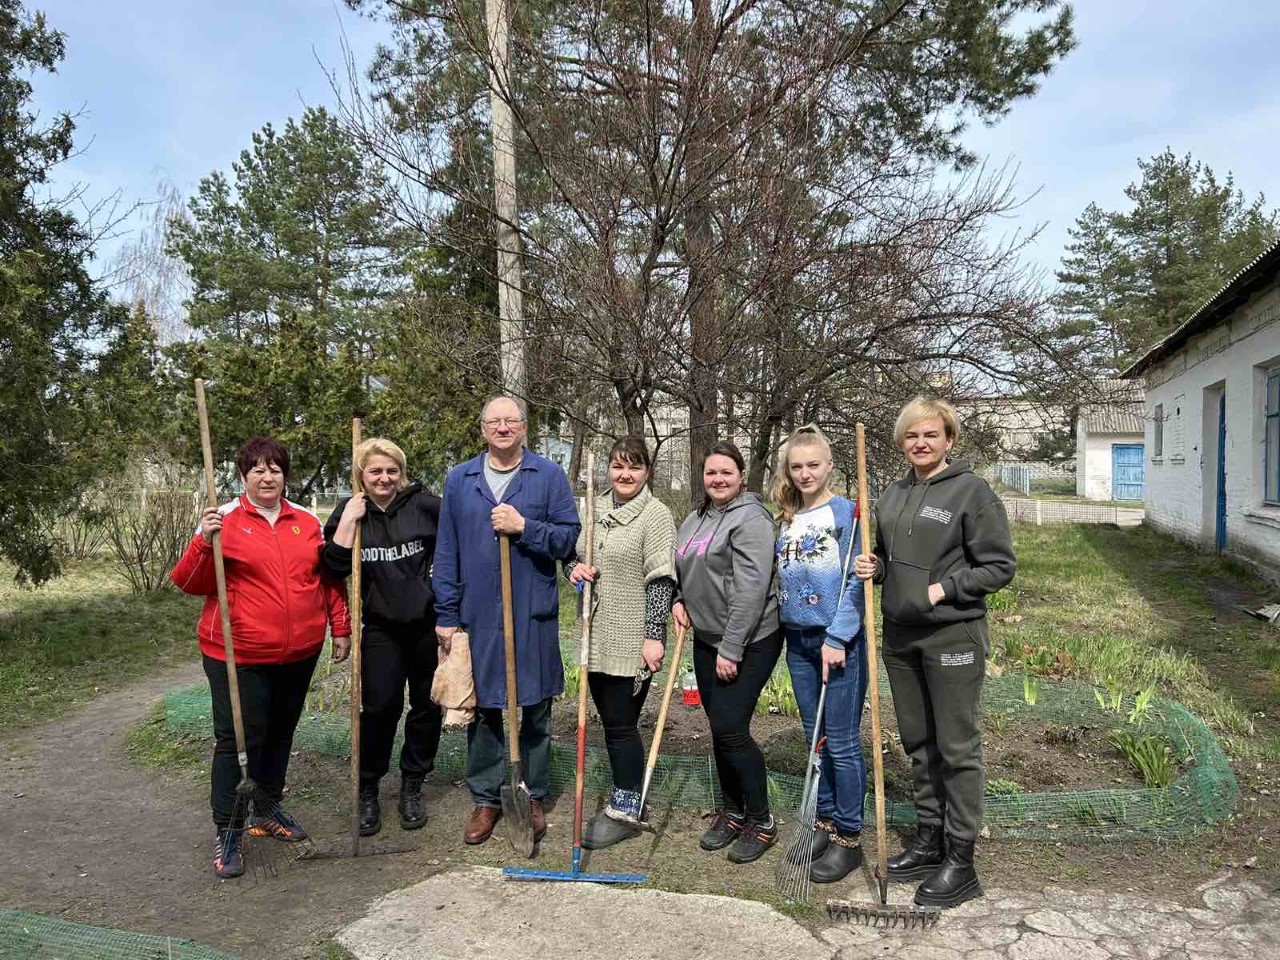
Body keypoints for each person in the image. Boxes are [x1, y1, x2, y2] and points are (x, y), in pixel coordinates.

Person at [854, 397, 1016, 909]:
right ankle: (929, 841)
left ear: (949, 439)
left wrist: (943, 590)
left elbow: (998, 566)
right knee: (918, 743)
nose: (920, 444)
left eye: (931, 435)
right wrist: (873, 568)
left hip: (952, 635)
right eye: (911, 436)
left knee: (956, 747)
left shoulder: (973, 492)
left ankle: (961, 861)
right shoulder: (894, 494)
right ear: (901, 442)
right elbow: (889, 558)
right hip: (901, 636)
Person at [170, 437, 351, 879]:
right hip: (239, 653)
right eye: (258, 469)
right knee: (238, 738)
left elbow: (326, 578)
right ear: (243, 476)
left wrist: (340, 626)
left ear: (285, 475)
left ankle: (267, 807)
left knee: (280, 732)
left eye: (275, 469)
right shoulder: (224, 520)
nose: (267, 477)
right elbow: (188, 582)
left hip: (300, 650)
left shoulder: (306, 520)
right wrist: (201, 540)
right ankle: (228, 828)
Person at [431, 396, 581, 846]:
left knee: (535, 707)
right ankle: (487, 799)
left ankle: (531, 794)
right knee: (485, 708)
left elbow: (567, 538)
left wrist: (524, 527)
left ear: (524, 427)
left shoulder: (548, 476)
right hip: (479, 614)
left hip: (531, 611)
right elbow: (447, 550)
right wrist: (447, 614)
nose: (502, 427)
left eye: (510, 420)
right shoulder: (461, 480)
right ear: (482, 429)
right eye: (493, 421)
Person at [322, 438, 443, 837]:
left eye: (391, 470)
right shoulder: (351, 511)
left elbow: (457, 548)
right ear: (362, 475)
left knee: (427, 707)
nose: (384, 478)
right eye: (375, 471)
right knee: (379, 708)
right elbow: (333, 567)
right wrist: (347, 522)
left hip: (426, 624)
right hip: (380, 627)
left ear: (401, 472)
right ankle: (368, 787)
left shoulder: (425, 506)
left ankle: (412, 784)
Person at [672, 440, 782, 864]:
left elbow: (752, 590)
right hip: (707, 637)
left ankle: (762, 819)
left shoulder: (751, 519)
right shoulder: (696, 517)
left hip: (750, 639)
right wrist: (679, 598)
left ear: (740, 477)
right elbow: (684, 565)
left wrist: (732, 648)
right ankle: (733, 812)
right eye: (711, 473)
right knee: (719, 729)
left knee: (732, 728)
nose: (717, 479)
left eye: (726, 473)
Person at [567, 438, 676, 849]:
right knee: (611, 724)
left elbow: (661, 578)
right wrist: (573, 571)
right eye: (617, 466)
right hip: (596, 635)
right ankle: (625, 798)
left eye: (633, 467)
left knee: (620, 724)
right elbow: (573, 558)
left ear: (647, 471)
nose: (624, 475)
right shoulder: (593, 510)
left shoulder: (655, 515)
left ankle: (627, 806)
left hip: (632, 638)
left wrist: (653, 635)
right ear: (607, 471)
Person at [772, 425, 867, 883]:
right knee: (815, 739)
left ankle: (850, 836)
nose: (805, 473)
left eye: (813, 465)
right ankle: (825, 822)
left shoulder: (847, 513)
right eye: (797, 466)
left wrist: (838, 637)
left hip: (837, 642)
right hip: (799, 640)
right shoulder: (788, 515)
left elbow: (857, 579)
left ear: (829, 466)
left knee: (843, 741)